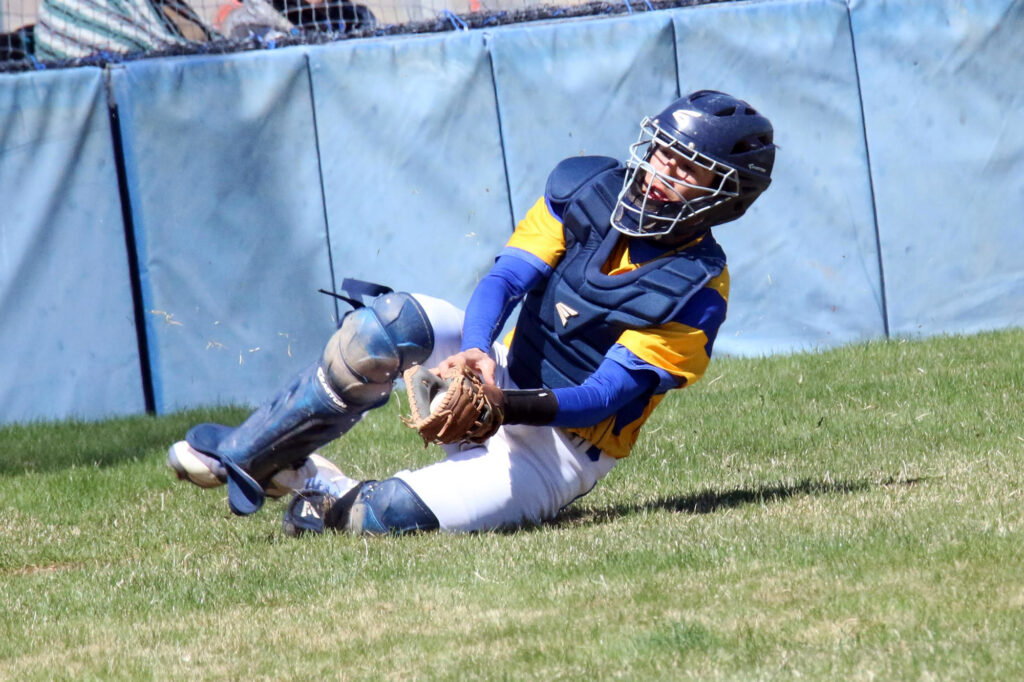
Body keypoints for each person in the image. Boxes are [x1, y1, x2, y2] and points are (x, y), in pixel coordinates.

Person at [167, 89, 776, 535]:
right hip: (501, 368)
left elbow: (604, 397)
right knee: (387, 325)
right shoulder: (589, 188)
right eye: (663, 152)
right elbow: (507, 278)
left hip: (557, 449)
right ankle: (249, 453)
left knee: (387, 517)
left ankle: (317, 485)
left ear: (723, 196)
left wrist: (500, 407)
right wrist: (480, 352)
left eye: (687, 167)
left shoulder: (697, 289)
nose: (660, 172)